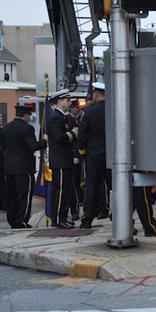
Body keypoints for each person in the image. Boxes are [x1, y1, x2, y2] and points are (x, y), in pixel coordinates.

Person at [1, 104, 47, 228]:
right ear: (25, 115)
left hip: (9, 167)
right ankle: (21, 220)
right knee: (24, 195)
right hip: (23, 168)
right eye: (29, 115)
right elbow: (32, 146)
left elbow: (3, 147)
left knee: (12, 195)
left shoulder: (6, 128)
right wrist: (45, 141)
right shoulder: (27, 128)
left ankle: (12, 220)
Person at [78, 83, 108, 229]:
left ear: (96, 94)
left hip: (94, 155)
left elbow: (82, 135)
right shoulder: (114, 109)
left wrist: (82, 152)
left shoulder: (88, 112)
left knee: (91, 186)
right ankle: (121, 217)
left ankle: (87, 219)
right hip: (113, 155)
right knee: (115, 187)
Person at [46, 89, 77, 229]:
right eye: (66, 100)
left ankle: (63, 217)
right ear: (59, 101)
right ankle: (58, 219)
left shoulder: (62, 117)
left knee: (66, 191)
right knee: (60, 191)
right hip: (59, 160)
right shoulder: (55, 118)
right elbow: (60, 138)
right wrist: (72, 134)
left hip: (65, 159)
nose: (69, 103)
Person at [66, 99, 83, 221]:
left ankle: (75, 208)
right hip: (71, 156)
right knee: (73, 185)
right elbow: (74, 141)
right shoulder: (69, 120)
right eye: (77, 107)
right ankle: (74, 210)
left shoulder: (75, 120)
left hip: (73, 157)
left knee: (75, 184)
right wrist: (76, 155)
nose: (78, 110)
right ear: (72, 108)